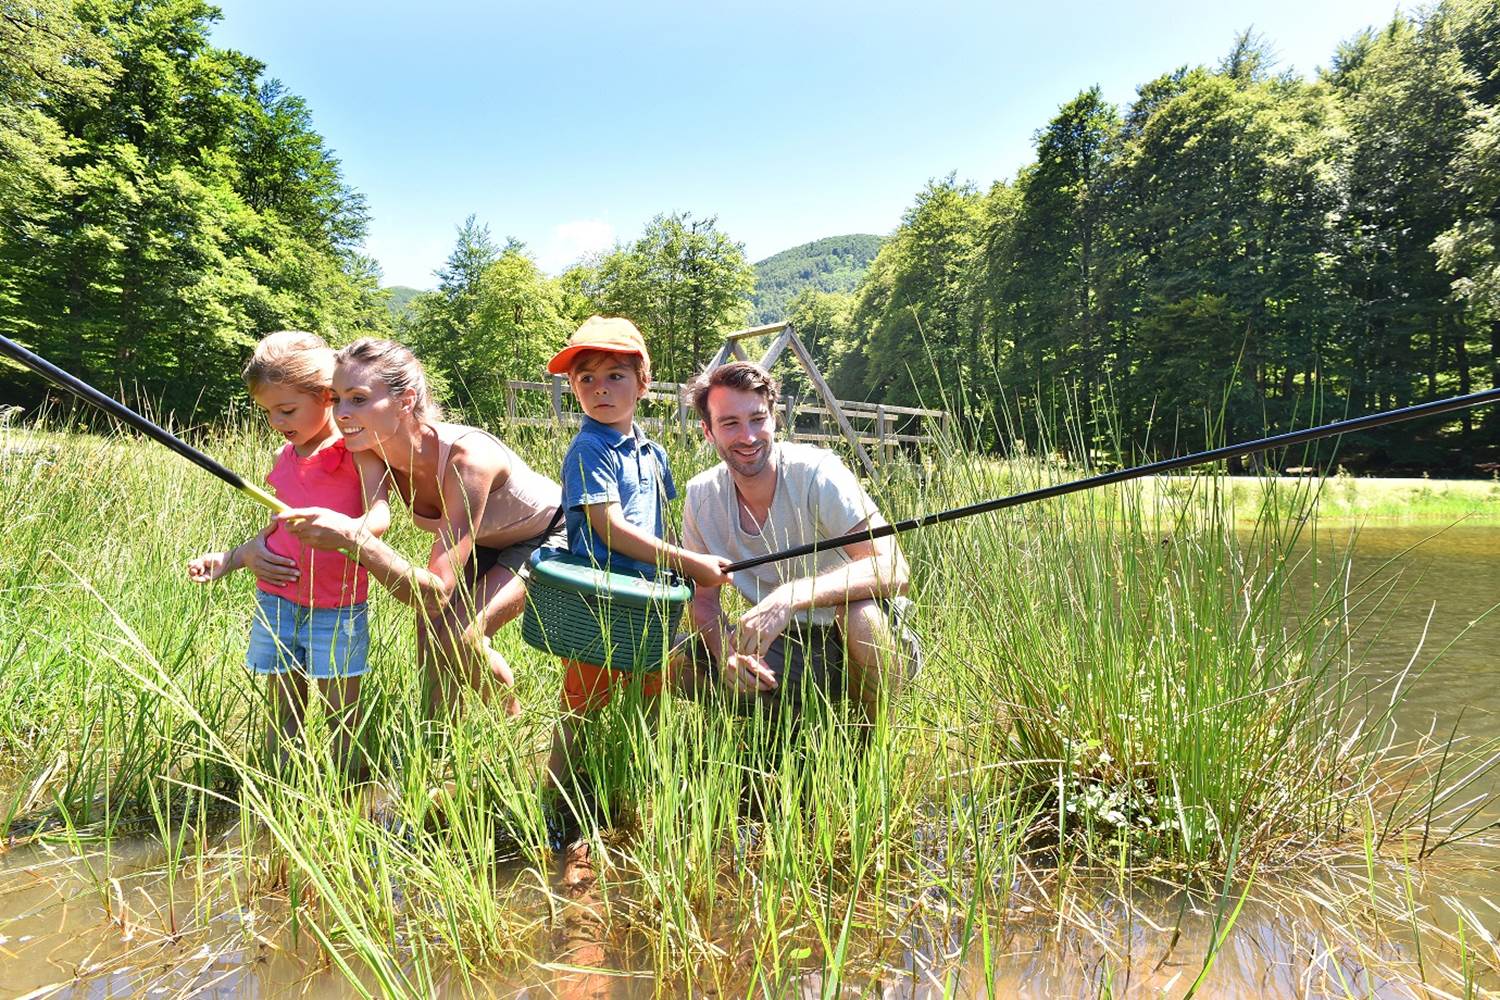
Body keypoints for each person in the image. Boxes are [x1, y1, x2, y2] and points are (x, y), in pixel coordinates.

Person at [270, 338, 565, 717]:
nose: (341, 412)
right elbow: (372, 517)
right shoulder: (368, 447)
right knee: (430, 634)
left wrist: (354, 541)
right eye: (336, 399)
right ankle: (437, 737)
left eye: (358, 399)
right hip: (482, 537)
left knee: (462, 636)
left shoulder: (467, 458)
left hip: (545, 533)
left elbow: (436, 591)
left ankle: (510, 720)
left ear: (406, 400)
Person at [187, 330, 391, 773]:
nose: (277, 421)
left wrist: (350, 531)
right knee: (284, 710)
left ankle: (345, 787)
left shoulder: (355, 450)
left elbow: (380, 514)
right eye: (268, 412)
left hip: (335, 606)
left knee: (343, 715)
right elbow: (281, 524)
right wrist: (235, 556)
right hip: (277, 598)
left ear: (326, 397)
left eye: (286, 410)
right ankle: (280, 780)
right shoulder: (287, 455)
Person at [541, 316, 731, 787]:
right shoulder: (589, 448)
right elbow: (609, 528)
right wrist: (686, 563)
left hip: (646, 598)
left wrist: (678, 571)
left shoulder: (652, 452)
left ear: (643, 384)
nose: (599, 389)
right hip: (598, 598)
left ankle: (636, 782)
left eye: (614, 377)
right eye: (586, 379)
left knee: (650, 691)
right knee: (582, 700)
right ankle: (555, 793)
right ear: (573, 386)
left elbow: (657, 519)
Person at [680, 361, 921, 720]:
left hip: (865, 642)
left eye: (757, 419)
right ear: (708, 432)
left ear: (774, 419)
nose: (747, 436)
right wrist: (724, 655)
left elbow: (894, 568)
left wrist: (790, 597)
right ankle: (786, 723)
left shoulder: (818, 474)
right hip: (784, 647)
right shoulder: (701, 496)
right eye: (730, 423)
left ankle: (868, 744)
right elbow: (703, 602)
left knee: (862, 614)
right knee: (672, 656)